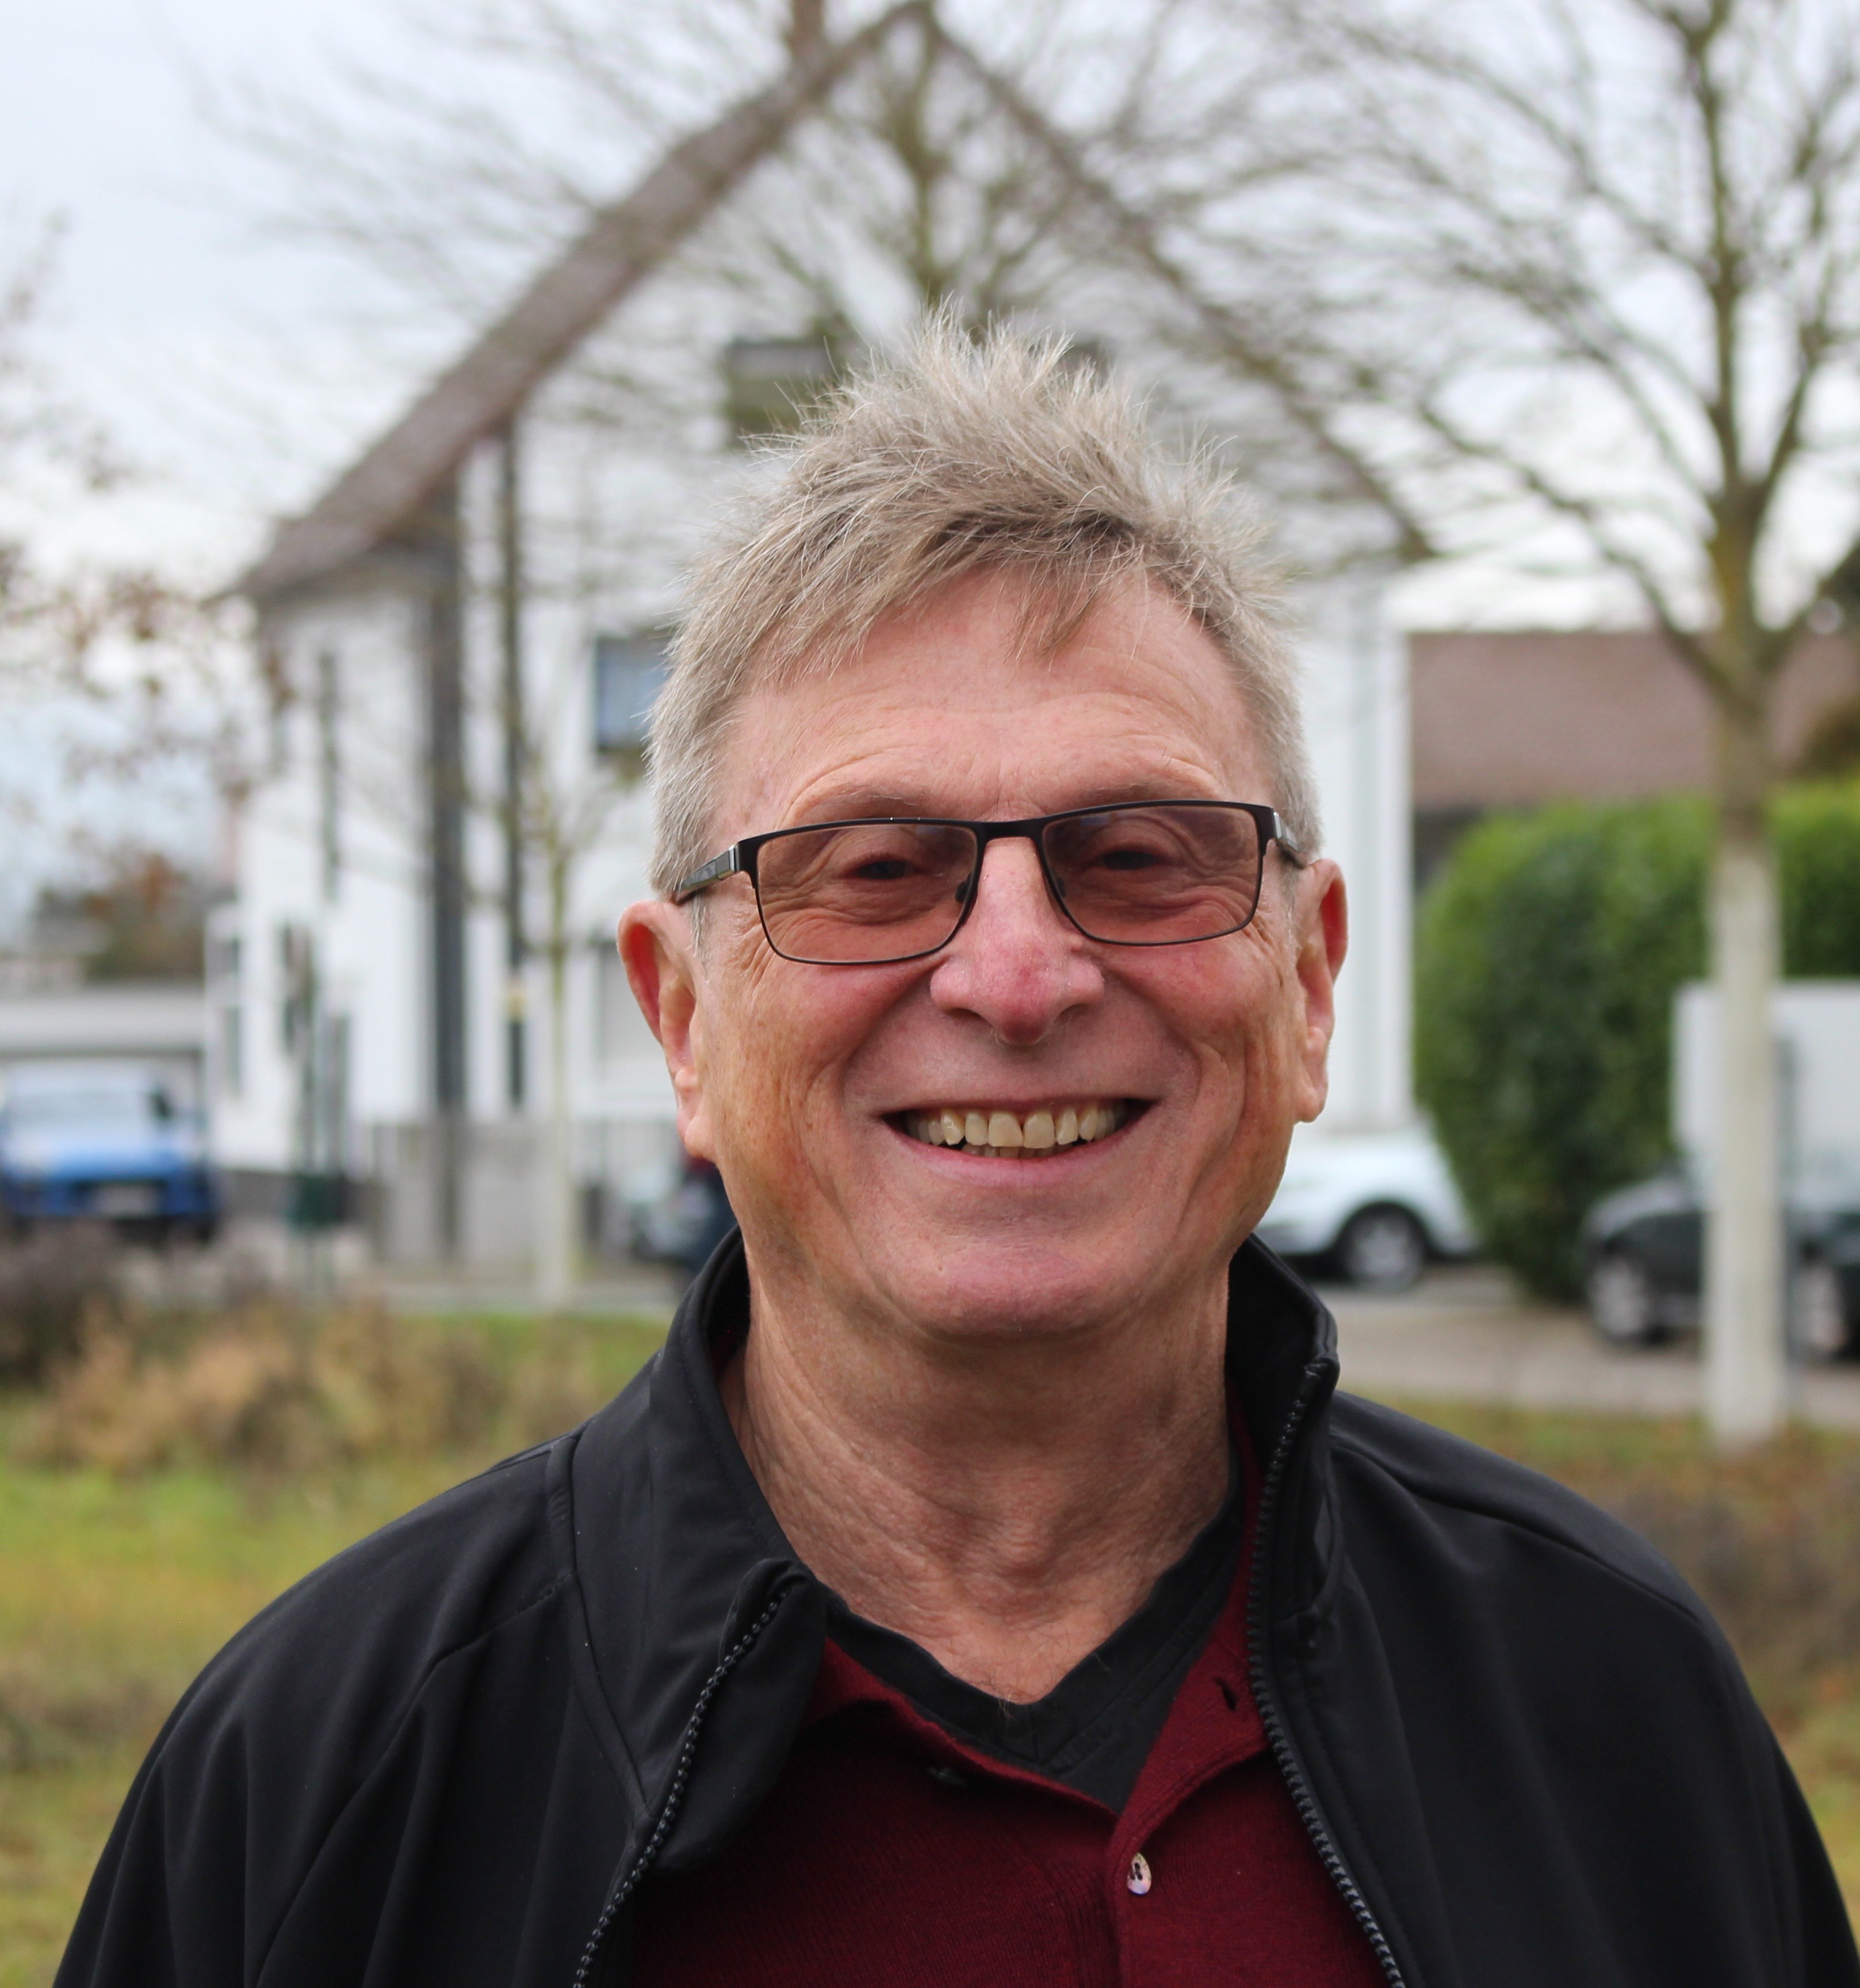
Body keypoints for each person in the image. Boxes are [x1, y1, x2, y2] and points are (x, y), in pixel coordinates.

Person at [59, 327, 1856, 1988]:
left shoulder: (1612, 1713)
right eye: (872, 869)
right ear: (681, 1021)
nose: (1014, 976)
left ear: (1309, 984)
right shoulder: (327, 1788)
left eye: (1137, 854)